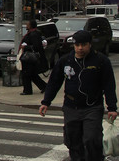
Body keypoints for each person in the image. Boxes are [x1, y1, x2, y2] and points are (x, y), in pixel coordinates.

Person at [39, 29, 117, 161]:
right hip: (71, 107)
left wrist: (112, 107)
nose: (80, 48)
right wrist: (46, 102)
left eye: (84, 45)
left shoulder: (100, 61)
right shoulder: (66, 61)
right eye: (77, 45)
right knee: (73, 140)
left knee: (92, 139)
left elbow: (109, 85)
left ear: (90, 44)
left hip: (92, 107)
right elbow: (54, 82)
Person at [19, 19, 48, 96]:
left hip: (30, 58)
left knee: (27, 74)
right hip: (29, 57)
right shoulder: (33, 33)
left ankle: (27, 90)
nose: (26, 25)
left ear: (31, 25)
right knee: (32, 74)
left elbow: (36, 46)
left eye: (27, 24)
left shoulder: (33, 34)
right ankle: (44, 87)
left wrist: (25, 47)